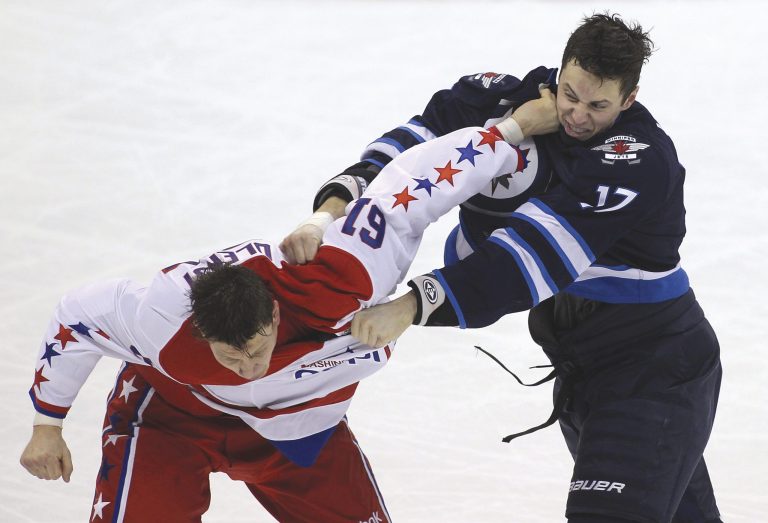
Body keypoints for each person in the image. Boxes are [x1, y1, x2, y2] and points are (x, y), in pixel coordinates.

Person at [282, 13, 723, 523]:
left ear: (629, 99)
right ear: (559, 74)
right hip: (584, 375)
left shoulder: (638, 160)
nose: (578, 116)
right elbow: (408, 157)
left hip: (653, 370)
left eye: (599, 105)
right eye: (570, 94)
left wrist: (411, 304)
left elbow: (530, 255)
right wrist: (325, 216)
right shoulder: (498, 98)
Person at [19, 121, 528, 522]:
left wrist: (511, 131)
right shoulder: (162, 319)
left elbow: (413, 188)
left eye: (257, 348)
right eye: (229, 355)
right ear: (200, 332)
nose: (247, 368)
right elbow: (76, 317)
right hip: (172, 421)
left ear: (276, 311)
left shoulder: (340, 278)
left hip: (298, 429)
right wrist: (47, 424)